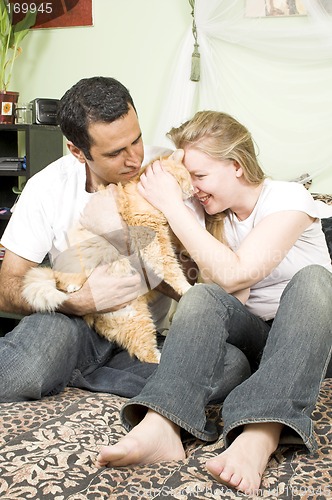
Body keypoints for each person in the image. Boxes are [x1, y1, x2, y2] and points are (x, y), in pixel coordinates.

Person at [95, 111, 332, 494]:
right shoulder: (209, 215)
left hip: (307, 340)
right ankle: (163, 423)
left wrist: (172, 205)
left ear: (237, 166)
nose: (194, 189)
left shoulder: (289, 198)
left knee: (316, 282)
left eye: (201, 177)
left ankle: (261, 432)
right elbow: (225, 296)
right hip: (254, 338)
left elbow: (237, 273)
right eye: (190, 180)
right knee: (204, 296)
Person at [0, 78, 246, 407]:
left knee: (232, 367)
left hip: (144, 333)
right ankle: (84, 369)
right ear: (77, 151)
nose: (133, 159)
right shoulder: (47, 187)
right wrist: (78, 302)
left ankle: (80, 375)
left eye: (137, 140)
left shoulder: (169, 174)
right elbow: (7, 287)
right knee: (19, 370)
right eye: (115, 152)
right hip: (73, 325)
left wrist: (123, 239)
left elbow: (193, 289)